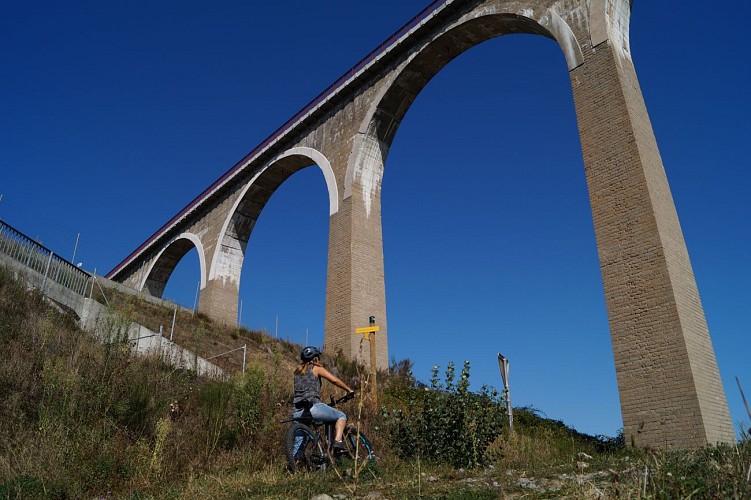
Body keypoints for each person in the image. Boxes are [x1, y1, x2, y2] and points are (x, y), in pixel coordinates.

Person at [293, 346, 354, 451]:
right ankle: (338, 442)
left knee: (298, 446)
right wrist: (349, 390)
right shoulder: (315, 368)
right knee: (341, 416)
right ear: (315, 358)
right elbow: (334, 380)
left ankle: (294, 463)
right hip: (313, 407)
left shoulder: (297, 373)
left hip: (297, 411)